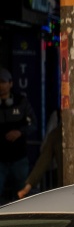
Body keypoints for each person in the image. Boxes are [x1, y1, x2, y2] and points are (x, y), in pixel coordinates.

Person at [0, 67, 37, 201]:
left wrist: (20, 132)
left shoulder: (21, 102)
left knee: (22, 195)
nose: (1, 85)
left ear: (10, 83)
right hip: (1, 160)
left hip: (19, 158)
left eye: (3, 82)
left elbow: (33, 124)